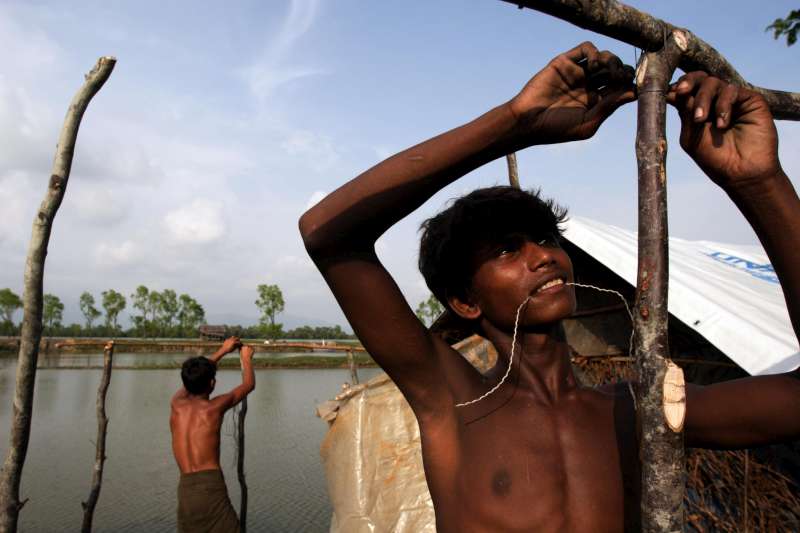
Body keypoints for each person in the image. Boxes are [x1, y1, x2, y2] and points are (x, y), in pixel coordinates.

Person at [299, 41, 800, 532]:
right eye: (506, 250)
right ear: (464, 300)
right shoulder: (453, 403)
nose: (542, 255)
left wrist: (759, 183)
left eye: (543, 238)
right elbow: (329, 234)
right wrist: (516, 123)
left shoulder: (633, 412)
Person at [170, 336, 255, 533]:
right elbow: (248, 385)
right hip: (210, 485)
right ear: (212, 383)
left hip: (185, 488)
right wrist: (246, 358)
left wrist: (222, 351)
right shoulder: (213, 408)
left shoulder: (176, 404)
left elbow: (192, 380)